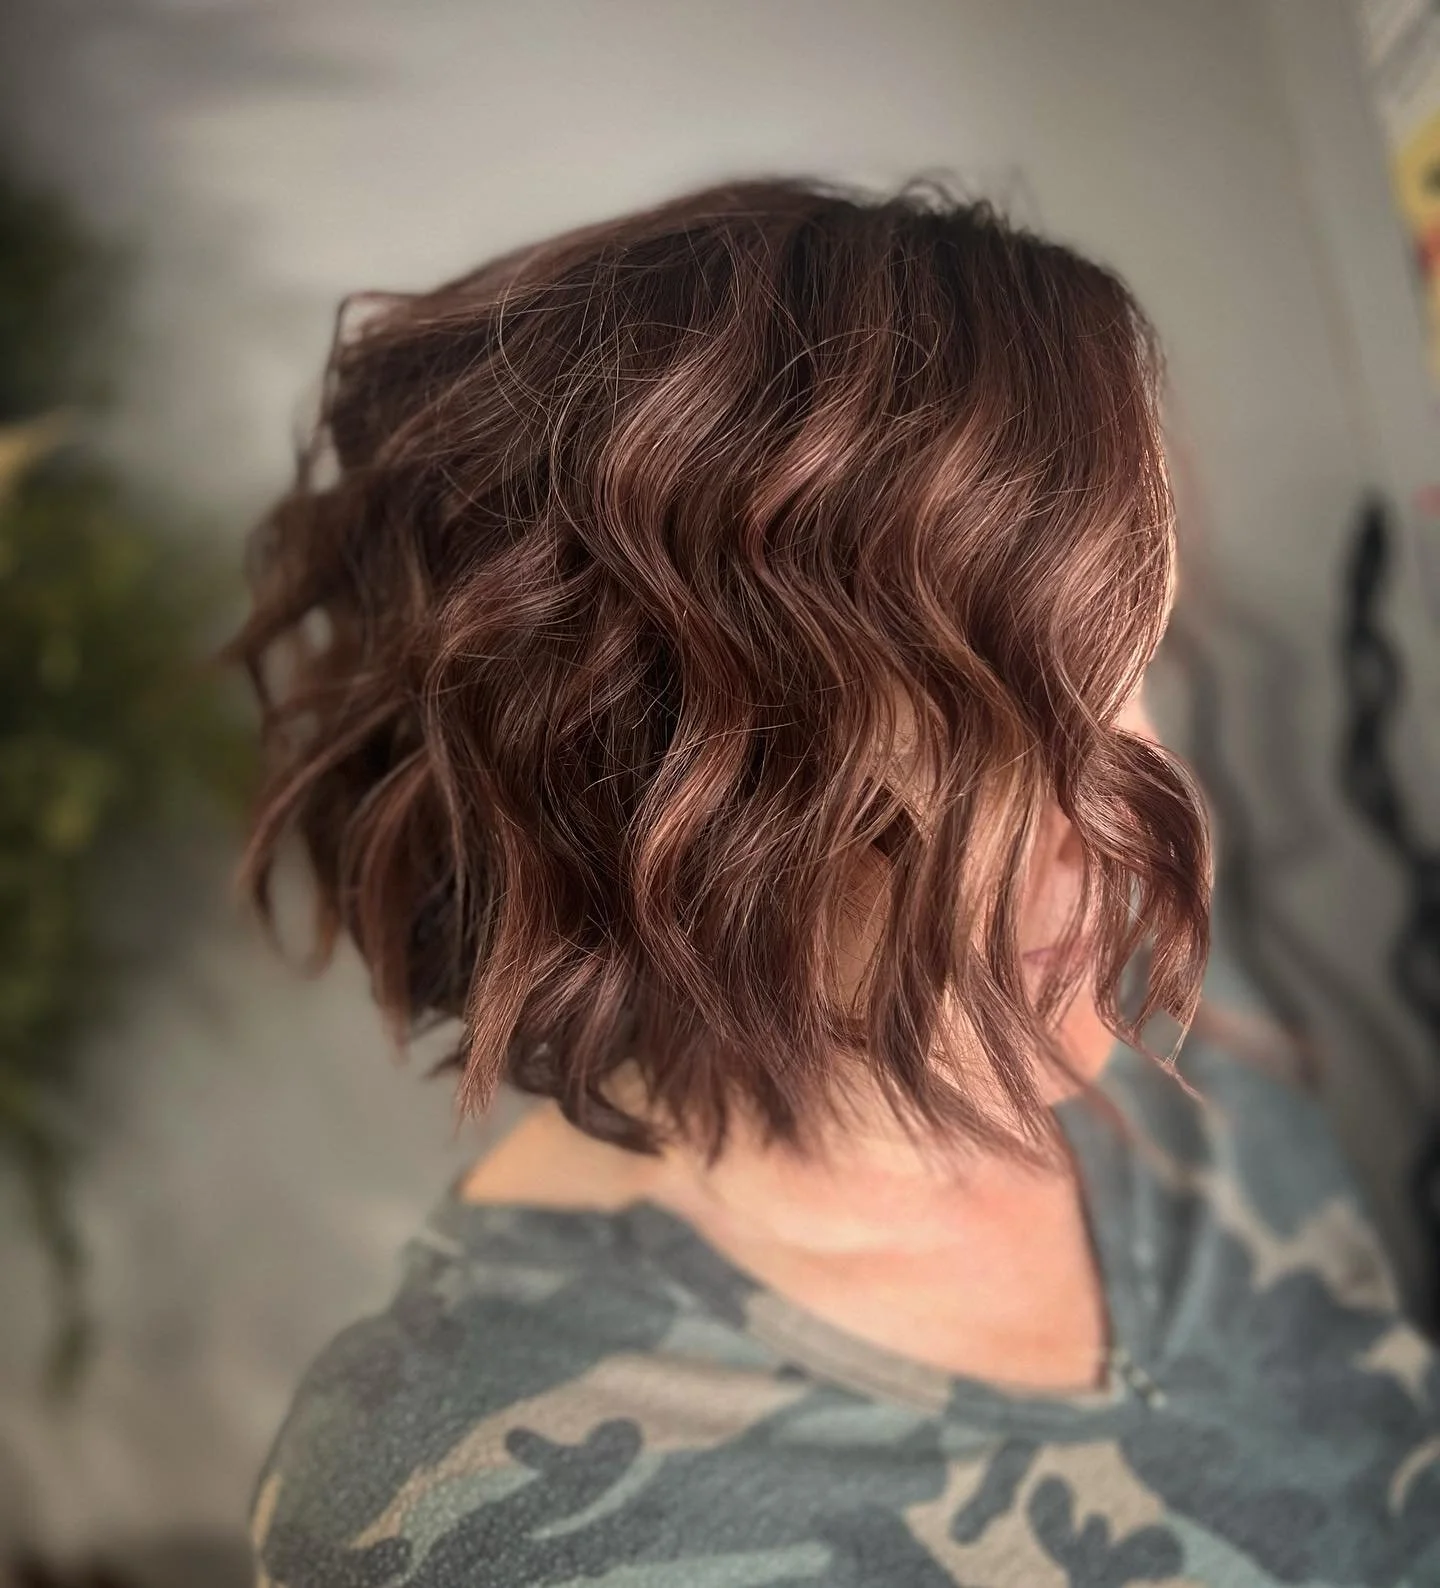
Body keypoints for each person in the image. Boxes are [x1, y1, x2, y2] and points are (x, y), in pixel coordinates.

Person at [232, 177, 1440, 1587]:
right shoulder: (440, 1510)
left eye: (1127, 680)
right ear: (618, 782)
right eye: (955, 739)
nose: (1122, 839)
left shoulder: (1168, 1026)